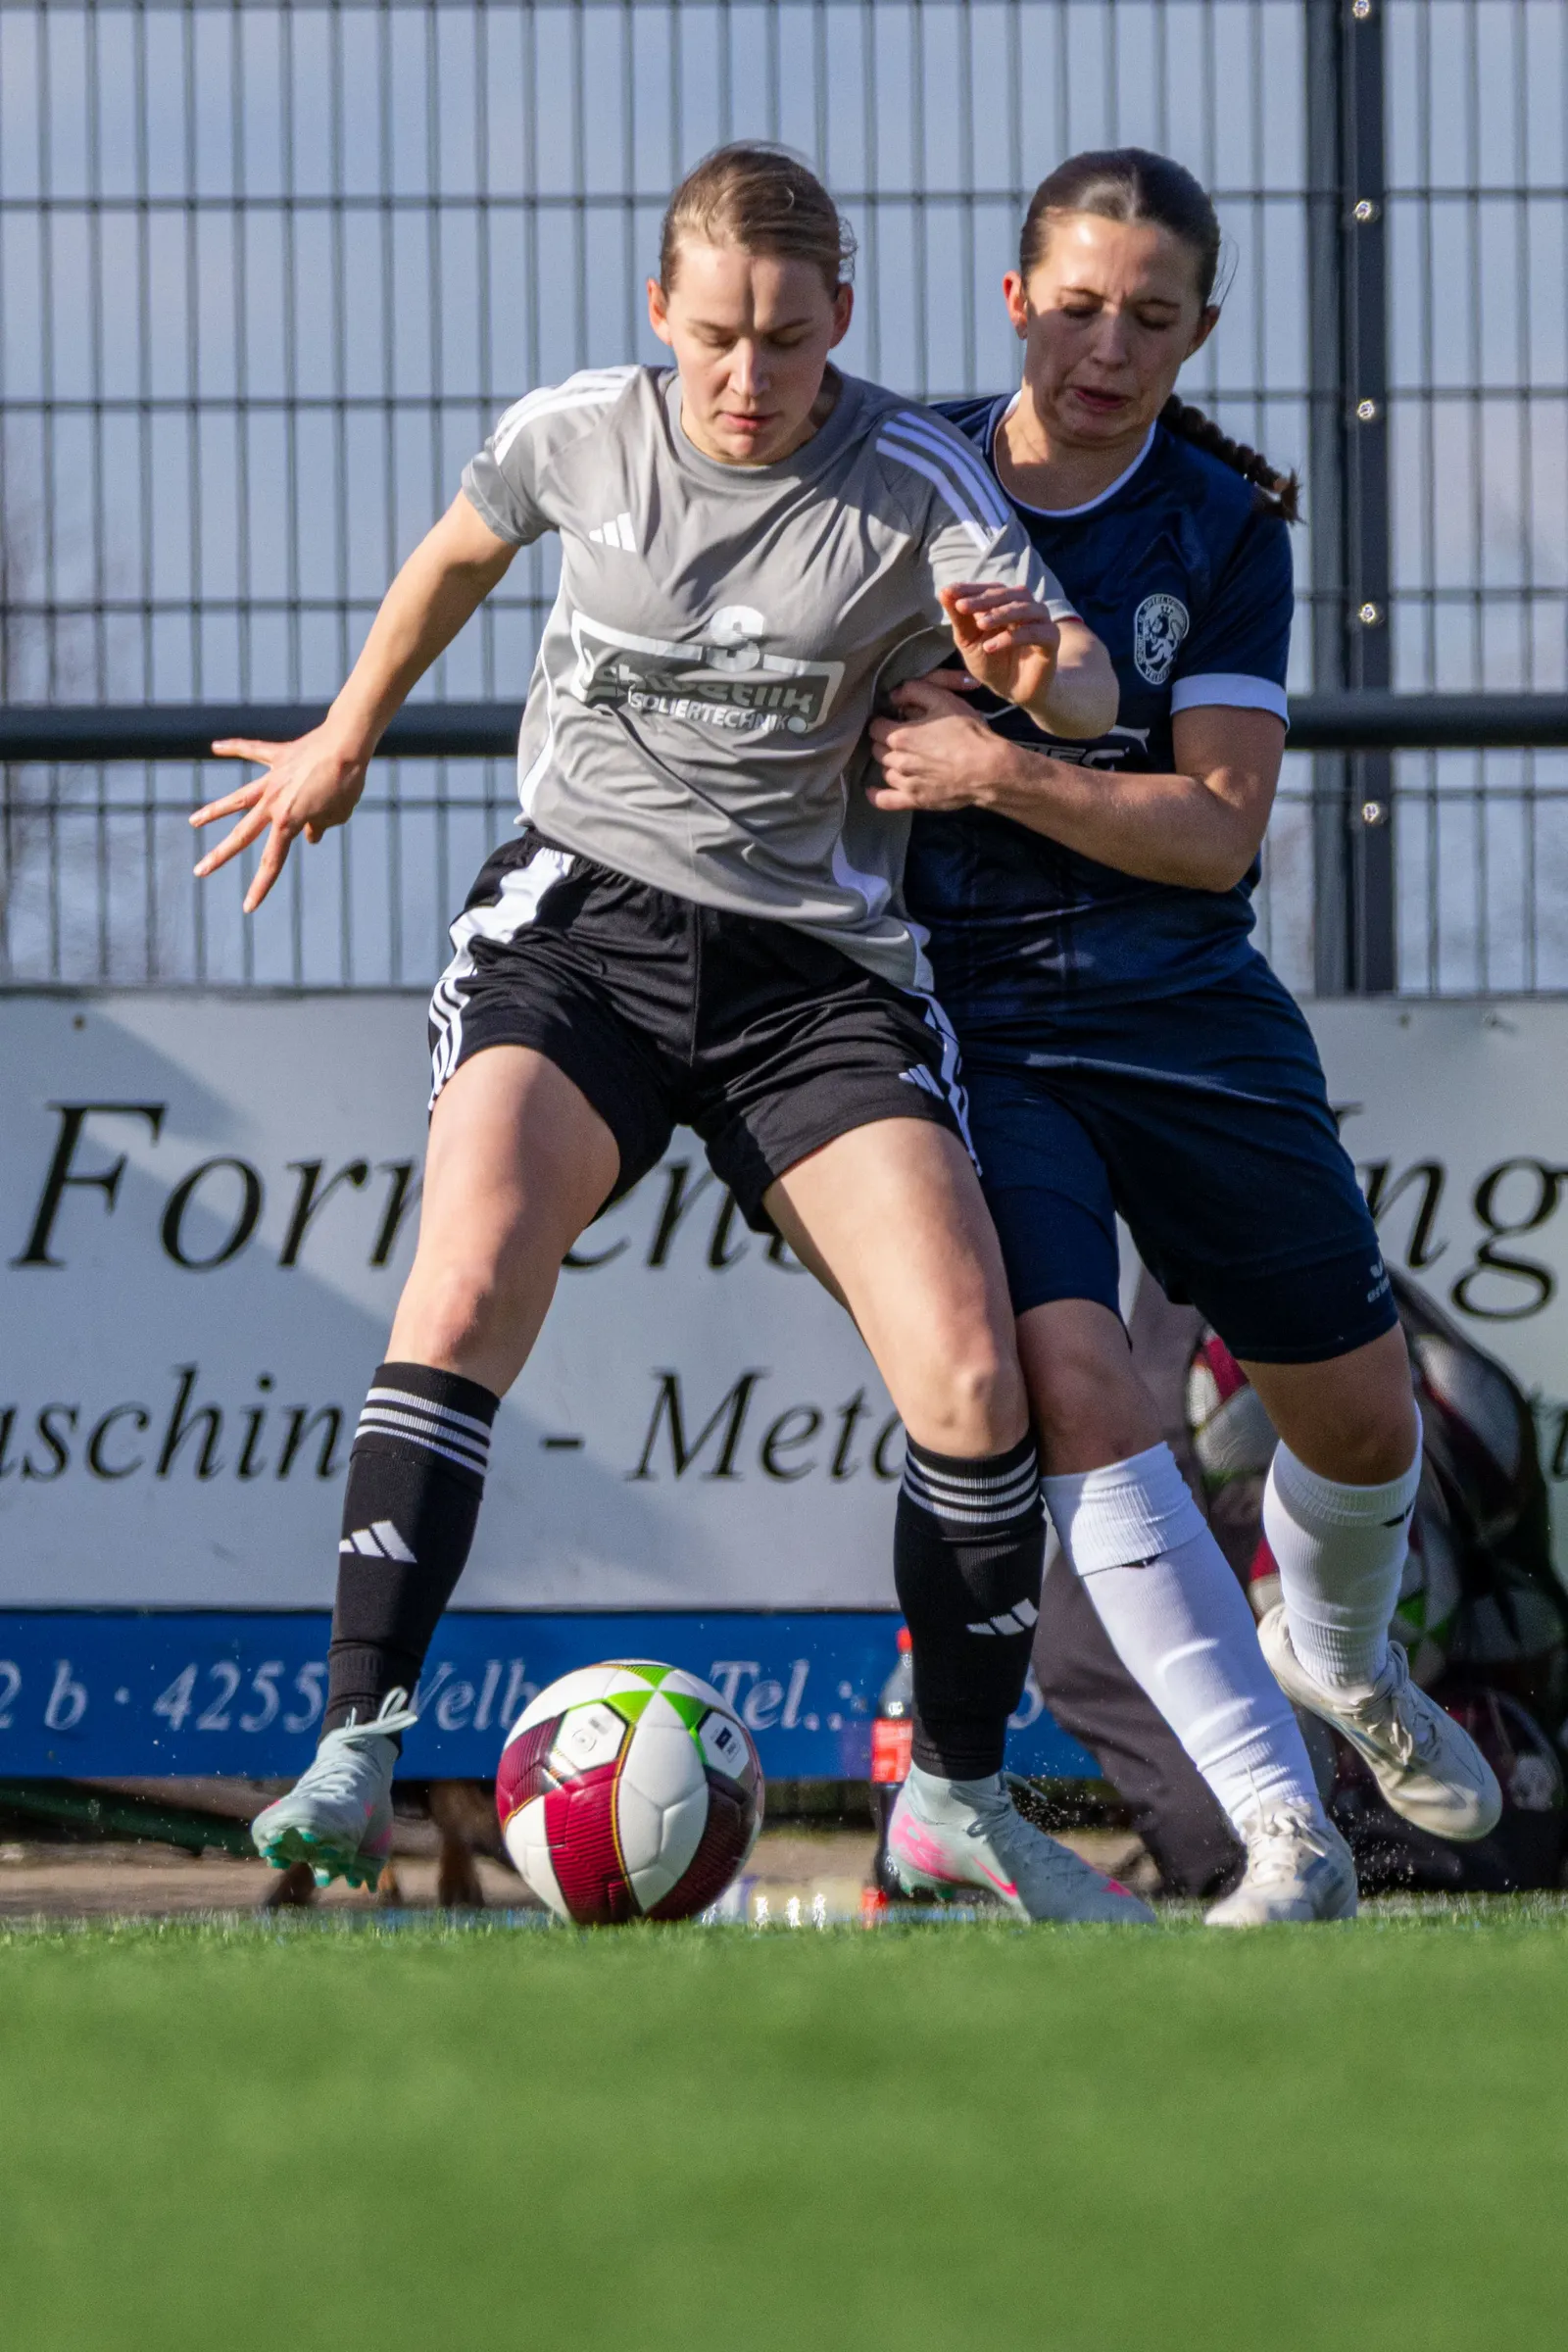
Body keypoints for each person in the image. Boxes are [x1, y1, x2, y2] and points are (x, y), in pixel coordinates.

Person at [190, 143, 1151, 1925]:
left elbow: (1083, 681)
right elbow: (458, 550)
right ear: (660, 311)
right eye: (714, 336)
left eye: (786, 340)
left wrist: (1038, 672)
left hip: (816, 980)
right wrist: (343, 734)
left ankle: (952, 1802)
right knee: (465, 1283)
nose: (747, 376)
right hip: (581, 936)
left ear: (841, 317)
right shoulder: (578, 431)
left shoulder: (914, 475)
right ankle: (353, 1753)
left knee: (971, 1377)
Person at [869, 147, 1501, 1925]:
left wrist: (999, 768)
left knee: (1363, 1422)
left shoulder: (1225, 528)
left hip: (1186, 1004)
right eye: (1077, 307)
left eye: (1151, 318)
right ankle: (1286, 1825)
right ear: (1015, 301)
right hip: (979, 1022)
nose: (1108, 347)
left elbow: (1217, 831)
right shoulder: (902, 480)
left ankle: (1345, 1658)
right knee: (1078, 1385)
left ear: (1200, 332)